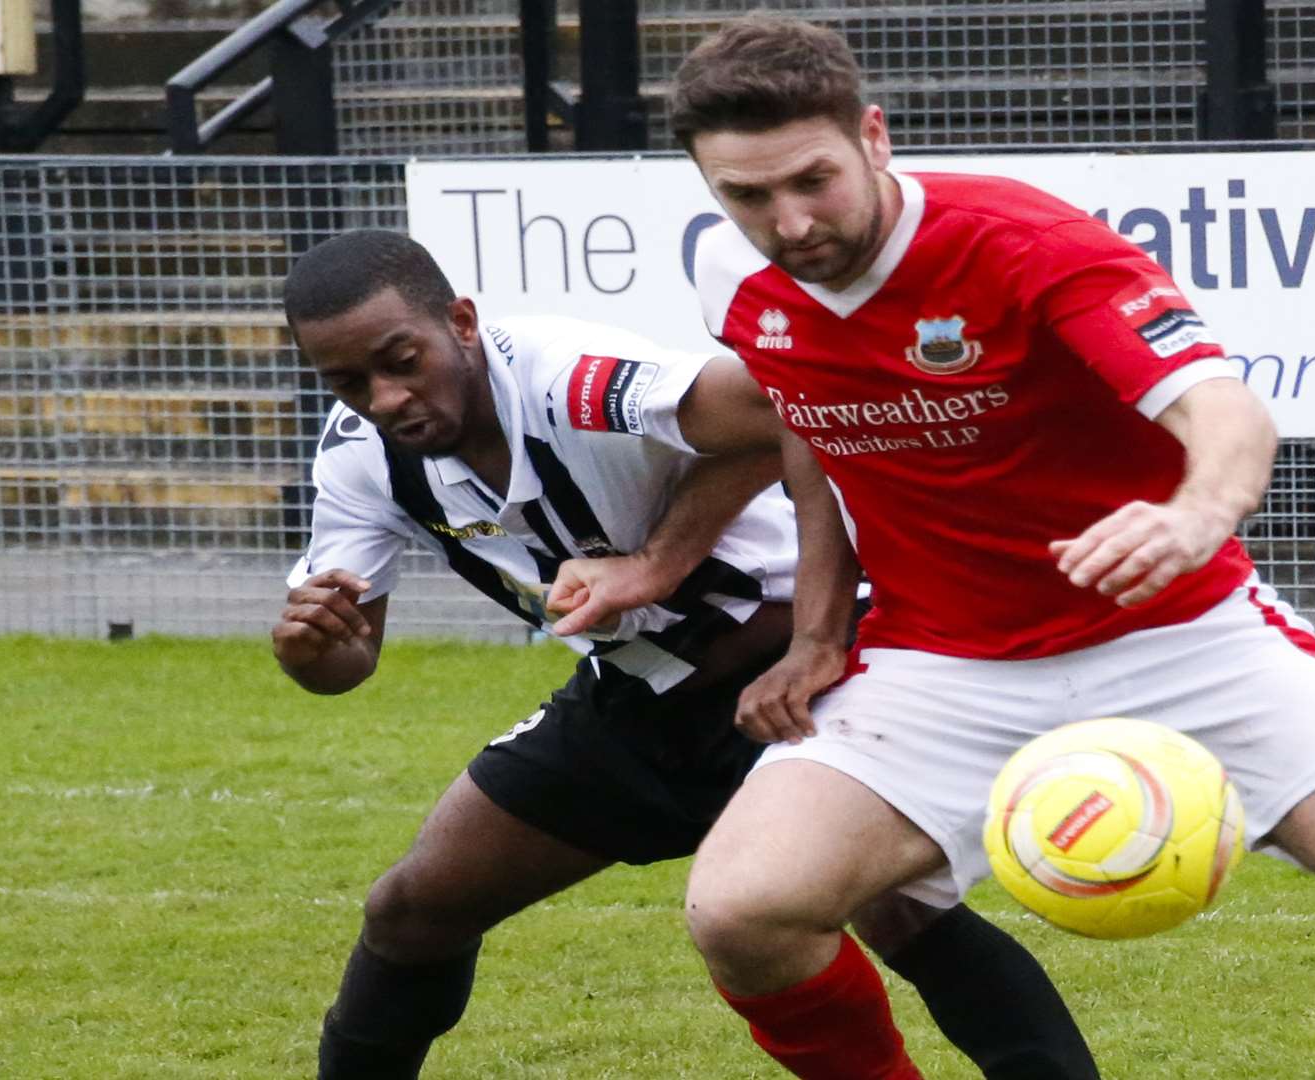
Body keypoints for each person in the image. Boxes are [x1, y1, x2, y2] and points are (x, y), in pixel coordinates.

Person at [670, 14, 1315, 1080]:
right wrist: (820, 635)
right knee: (741, 911)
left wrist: (1197, 515)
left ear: (873, 136)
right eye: (747, 196)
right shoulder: (737, 289)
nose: (788, 222)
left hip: (1182, 634)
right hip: (940, 665)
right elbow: (810, 435)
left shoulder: (1023, 244)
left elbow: (1225, 408)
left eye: (813, 181)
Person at [270, 229, 1100, 1079]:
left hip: (788, 676)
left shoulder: (573, 379)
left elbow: (797, 406)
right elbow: (345, 665)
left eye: (402, 359)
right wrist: (311, 647)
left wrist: (663, 566)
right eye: (347, 382)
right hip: (635, 698)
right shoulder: (360, 457)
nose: (387, 397)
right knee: (413, 909)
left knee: (896, 911)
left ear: (464, 322)